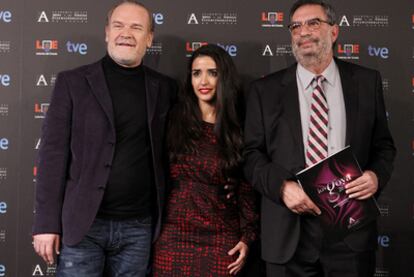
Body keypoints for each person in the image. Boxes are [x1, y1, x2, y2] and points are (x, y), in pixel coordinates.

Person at [243, 0, 396, 276]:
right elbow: (251, 155)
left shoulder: (366, 81)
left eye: (313, 23)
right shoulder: (263, 91)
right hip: (288, 235)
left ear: (334, 32)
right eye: (295, 26)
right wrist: (282, 188)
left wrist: (375, 176)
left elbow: (383, 146)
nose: (303, 32)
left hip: (350, 234)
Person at [32, 1, 177, 276]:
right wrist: (46, 224)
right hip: (83, 225)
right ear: (107, 33)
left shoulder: (165, 88)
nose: (126, 33)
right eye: (119, 25)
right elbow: (52, 156)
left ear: (149, 38)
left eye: (137, 27)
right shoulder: (72, 82)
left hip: (138, 228)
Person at [152, 44, 259, 276]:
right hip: (173, 236)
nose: (204, 81)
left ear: (225, 78)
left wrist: (247, 237)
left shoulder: (238, 129)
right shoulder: (172, 121)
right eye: (196, 73)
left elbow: (246, 187)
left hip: (221, 237)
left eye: (213, 73)